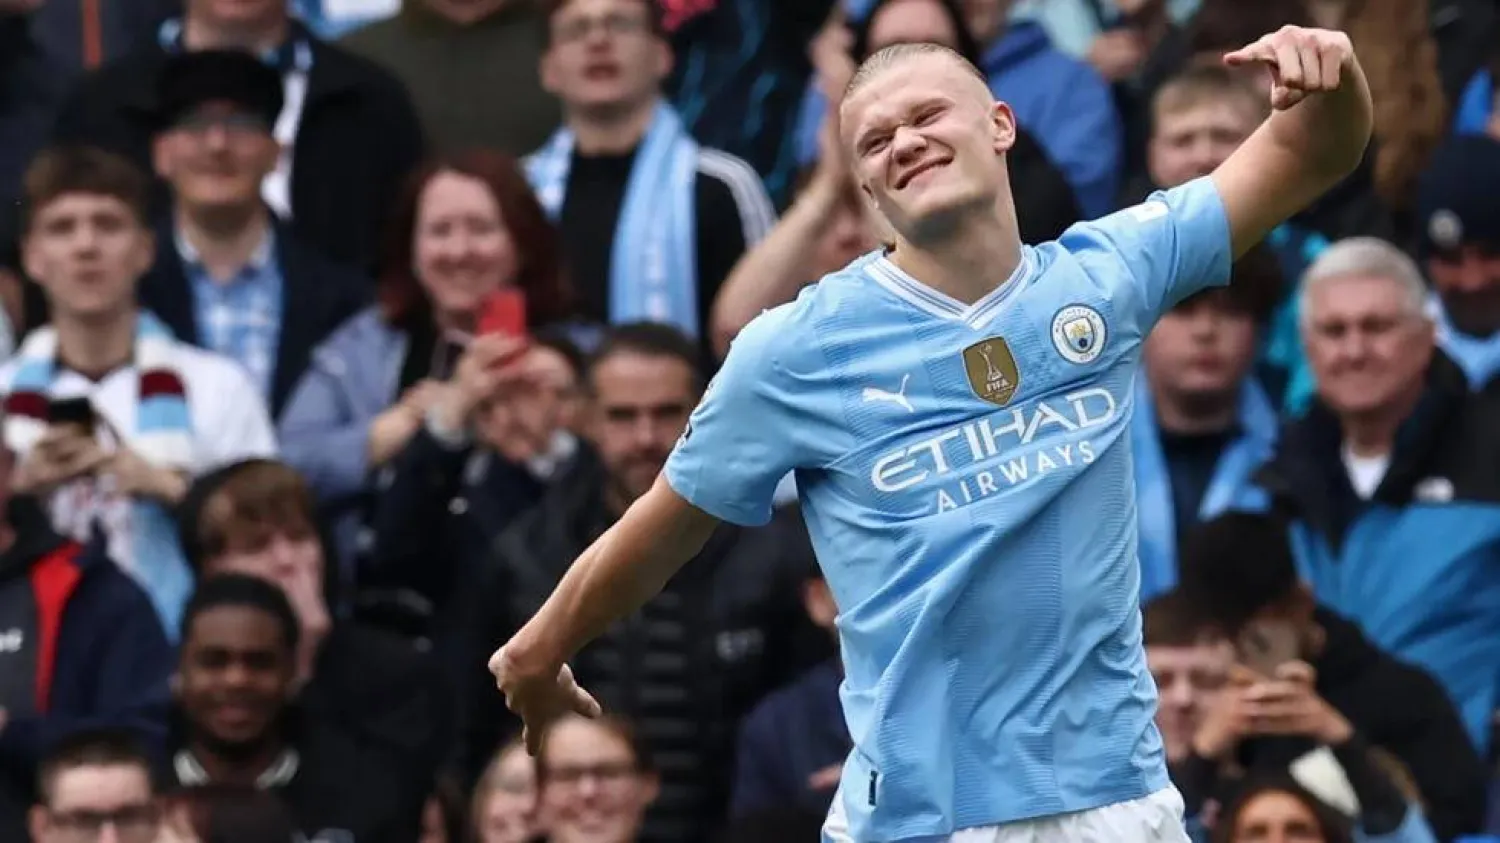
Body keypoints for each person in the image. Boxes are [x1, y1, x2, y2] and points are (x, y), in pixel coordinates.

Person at [491, 24, 1375, 843]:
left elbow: (1309, 149)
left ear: (1000, 125)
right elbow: (667, 525)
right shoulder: (796, 350)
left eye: (924, 115)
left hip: (1116, 800)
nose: (903, 140)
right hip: (920, 817)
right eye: (874, 142)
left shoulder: (1108, 276)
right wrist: (541, 648)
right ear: (868, 189)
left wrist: (1331, 76)